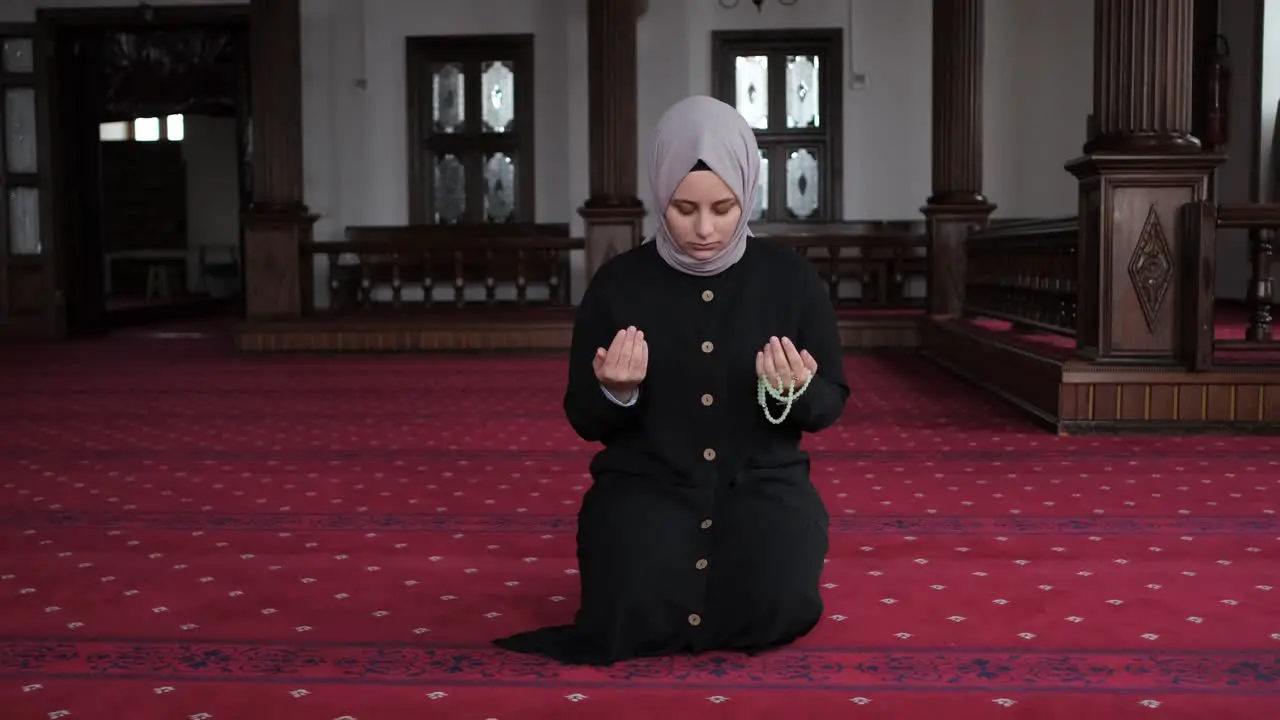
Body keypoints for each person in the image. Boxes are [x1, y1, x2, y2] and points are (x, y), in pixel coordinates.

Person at [492, 95, 849, 666]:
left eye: (723, 208)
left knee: (778, 603)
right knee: (629, 604)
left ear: (747, 194)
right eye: (683, 209)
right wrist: (618, 392)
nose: (704, 229)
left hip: (761, 485)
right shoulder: (618, 285)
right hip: (647, 485)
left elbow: (831, 400)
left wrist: (795, 393)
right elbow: (584, 417)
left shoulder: (792, 282)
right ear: (660, 193)